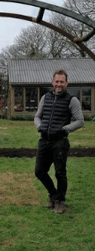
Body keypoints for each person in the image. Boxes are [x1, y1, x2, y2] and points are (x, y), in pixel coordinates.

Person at [34, 69, 84, 214]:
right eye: (57, 81)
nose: (59, 84)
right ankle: (54, 195)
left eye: (62, 82)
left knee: (60, 173)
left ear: (66, 83)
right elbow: (37, 116)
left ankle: (60, 202)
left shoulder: (72, 100)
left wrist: (65, 129)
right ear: (52, 82)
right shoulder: (45, 97)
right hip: (44, 140)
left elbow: (80, 121)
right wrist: (39, 126)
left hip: (60, 142)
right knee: (39, 171)